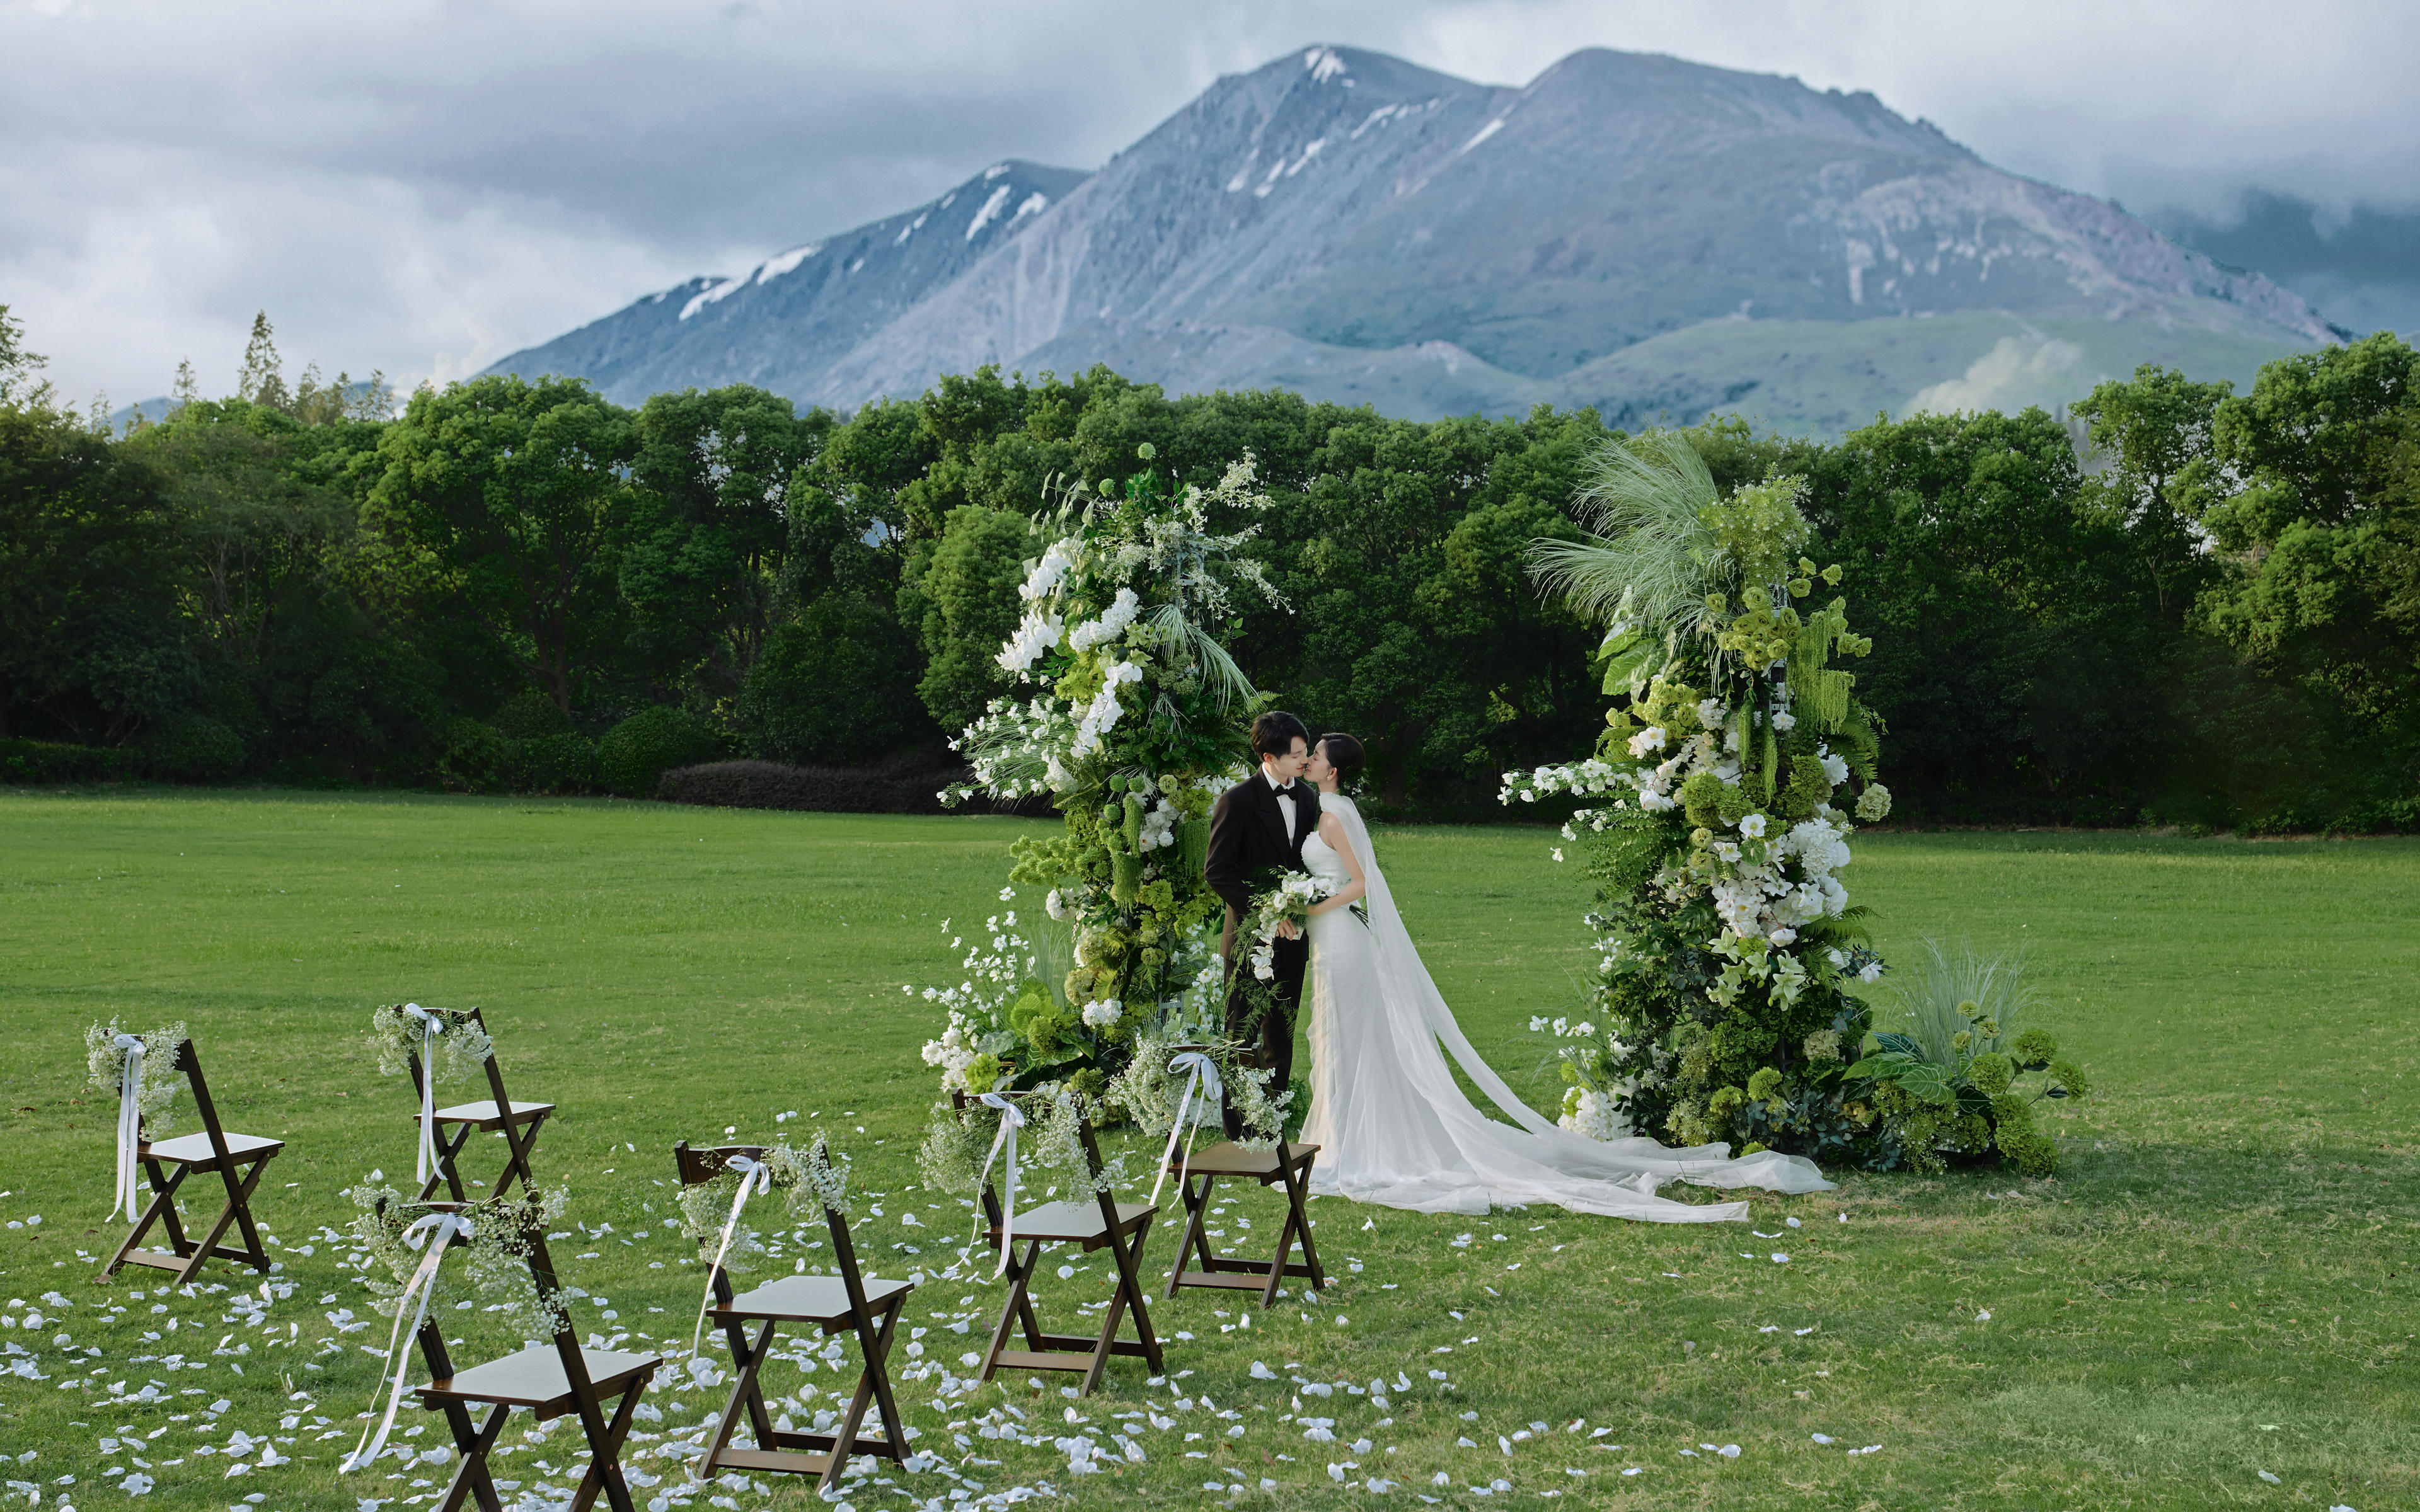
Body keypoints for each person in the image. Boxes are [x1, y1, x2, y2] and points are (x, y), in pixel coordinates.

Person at [1291, 731, 1835, 1222]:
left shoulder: (1336, 816)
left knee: (1351, 1037)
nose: (1309, 760)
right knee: (1345, 1038)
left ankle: (1354, 1146)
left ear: (1333, 770)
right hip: (1334, 939)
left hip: (1341, 935)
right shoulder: (1331, 810)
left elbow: (1360, 884)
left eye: (1315, 756)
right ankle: (1342, 1137)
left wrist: (1311, 907)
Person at [1204, 711, 1318, 1137]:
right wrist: (1269, 911)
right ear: (1269, 756)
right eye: (1296, 756)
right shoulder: (1237, 800)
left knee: (1281, 1030)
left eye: (1306, 753)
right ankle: (1237, 1127)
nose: (1304, 762)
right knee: (1241, 1028)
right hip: (1250, 936)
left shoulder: (1306, 799)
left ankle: (1271, 1120)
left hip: (1294, 939)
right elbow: (1217, 871)